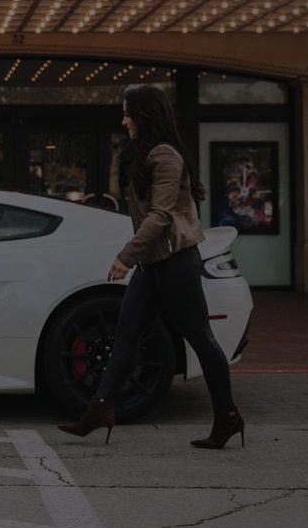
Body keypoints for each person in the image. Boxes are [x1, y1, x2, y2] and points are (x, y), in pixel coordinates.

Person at [58, 84, 244, 450]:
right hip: (154, 262)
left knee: (200, 338)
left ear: (145, 115)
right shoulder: (149, 153)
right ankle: (99, 410)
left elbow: (161, 215)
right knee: (126, 334)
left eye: (128, 113)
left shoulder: (166, 155)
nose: (124, 120)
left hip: (174, 261)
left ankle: (228, 417)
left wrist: (125, 256)